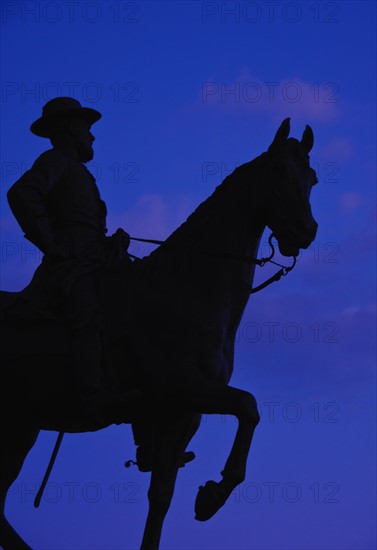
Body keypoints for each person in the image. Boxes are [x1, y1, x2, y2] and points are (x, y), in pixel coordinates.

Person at [7, 96, 137, 423]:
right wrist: (51, 243)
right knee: (88, 313)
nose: (92, 136)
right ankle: (92, 396)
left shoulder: (77, 170)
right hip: (72, 264)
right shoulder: (55, 161)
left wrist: (110, 244)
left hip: (94, 257)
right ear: (68, 131)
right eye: (86, 129)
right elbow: (22, 193)